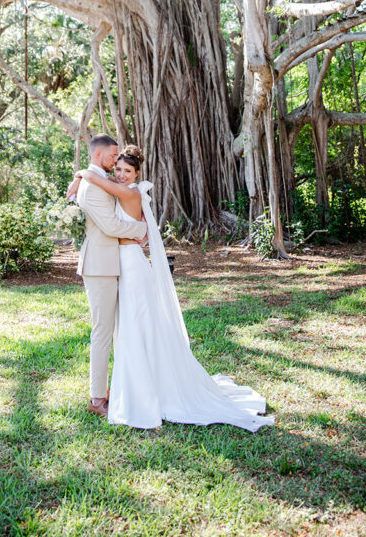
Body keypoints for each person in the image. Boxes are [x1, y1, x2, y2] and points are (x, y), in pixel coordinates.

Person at [73, 144, 274, 432]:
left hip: (130, 265)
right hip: (123, 265)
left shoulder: (130, 192)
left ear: (137, 173)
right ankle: (137, 385)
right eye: (118, 168)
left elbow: (104, 193)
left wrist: (83, 173)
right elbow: (103, 190)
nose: (120, 174)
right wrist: (81, 178)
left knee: (139, 327)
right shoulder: (122, 187)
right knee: (134, 328)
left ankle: (144, 390)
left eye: (126, 170)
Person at [70, 134, 147, 419]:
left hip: (113, 263)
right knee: (102, 331)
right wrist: (142, 231)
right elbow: (111, 225)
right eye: (113, 156)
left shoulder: (99, 178)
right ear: (98, 154)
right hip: (99, 265)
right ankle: (97, 397)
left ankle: (115, 387)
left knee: (117, 330)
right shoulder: (92, 185)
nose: (117, 161)